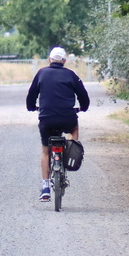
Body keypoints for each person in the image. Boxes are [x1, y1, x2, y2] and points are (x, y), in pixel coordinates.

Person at [26, 47, 90, 201]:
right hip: (67, 118)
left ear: (49, 59)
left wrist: (31, 107)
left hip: (46, 119)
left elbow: (31, 94)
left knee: (45, 151)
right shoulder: (71, 75)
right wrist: (83, 107)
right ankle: (70, 149)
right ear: (64, 61)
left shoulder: (41, 73)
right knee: (73, 129)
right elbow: (83, 95)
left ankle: (45, 186)